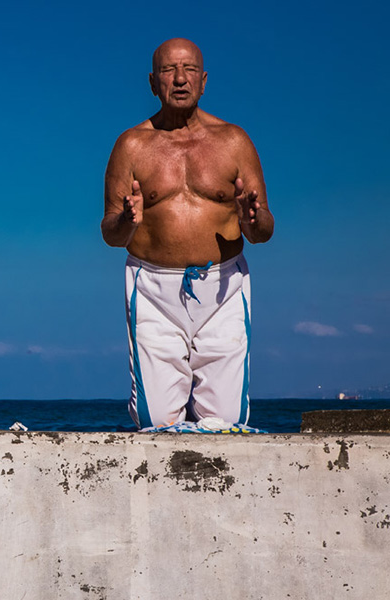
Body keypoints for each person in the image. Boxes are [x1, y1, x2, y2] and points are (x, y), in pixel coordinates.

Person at [101, 39, 274, 430]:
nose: (180, 79)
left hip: (223, 287)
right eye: (168, 70)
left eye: (190, 69)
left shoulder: (234, 141)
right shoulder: (131, 145)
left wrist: (251, 220)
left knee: (227, 422)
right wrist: (127, 220)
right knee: (156, 421)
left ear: (204, 81)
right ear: (152, 82)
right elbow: (111, 233)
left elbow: (264, 228)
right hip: (153, 290)